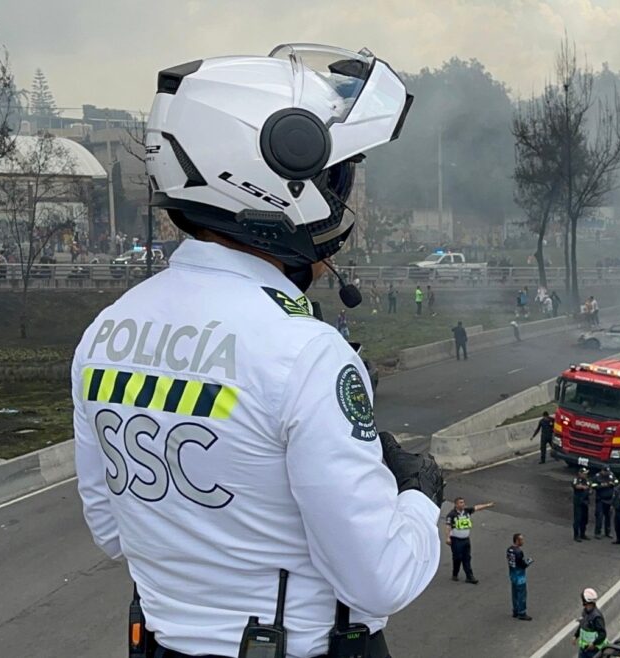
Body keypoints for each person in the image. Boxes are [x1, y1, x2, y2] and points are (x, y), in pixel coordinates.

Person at [73, 44, 441, 658]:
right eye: (333, 176)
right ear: (276, 174)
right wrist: (419, 501)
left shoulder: (106, 333)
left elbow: (112, 532)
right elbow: (381, 579)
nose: (337, 194)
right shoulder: (307, 354)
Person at [446, 497, 495, 584]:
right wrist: (448, 537)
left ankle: (469, 576)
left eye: (463, 502)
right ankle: (455, 574)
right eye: (461, 503)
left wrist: (488, 505)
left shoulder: (467, 511)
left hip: (466, 540)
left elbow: (477, 507)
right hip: (456, 540)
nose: (463, 504)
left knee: (467, 558)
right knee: (457, 558)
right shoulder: (451, 514)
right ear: (456, 504)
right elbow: (448, 526)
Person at [573, 588, 608, 658]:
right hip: (584, 649)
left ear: (585, 601)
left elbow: (602, 634)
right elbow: (582, 625)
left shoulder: (597, 617)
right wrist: (576, 635)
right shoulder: (585, 612)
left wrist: (594, 644)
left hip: (594, 651)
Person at [506, 533, 534, 621]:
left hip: (512, 574)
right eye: (521, 540)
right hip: (520, 576)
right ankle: (522, 612)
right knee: (521, 595)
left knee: (514, 594)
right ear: (517, 541)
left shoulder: (509, 550)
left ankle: (515, 610)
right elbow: (522, 564)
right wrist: (528, 561)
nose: (523, 541)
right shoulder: (518, 552)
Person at [591, 466, 616, 539]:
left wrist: (612, 483)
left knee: (608, 517)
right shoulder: (597, 476)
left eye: (607, 472)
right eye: (605, 471)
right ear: (602, 471)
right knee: (599, 516)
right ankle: (597, 532)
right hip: (600, 500)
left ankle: (607, 532)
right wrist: (602, 485)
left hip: (609, 500)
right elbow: (593, 485)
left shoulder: (611, 475)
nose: (607, 473)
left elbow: (616, 482)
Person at [572, 468, 592, 541]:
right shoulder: (576, 479)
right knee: (578, 519)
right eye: (584, 473)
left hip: (585, 502)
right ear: (580, 473)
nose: (585, 475)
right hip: (578, 503)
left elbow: (590, 488)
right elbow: (576, 486)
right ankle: (576, 535)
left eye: (586, 473)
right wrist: (583, 487)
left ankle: (583, 534)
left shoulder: (587, 480)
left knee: (584, 519)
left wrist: (589, 490)